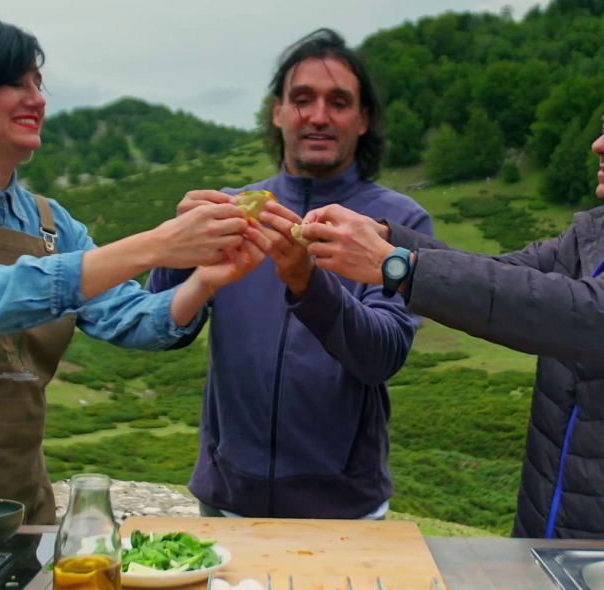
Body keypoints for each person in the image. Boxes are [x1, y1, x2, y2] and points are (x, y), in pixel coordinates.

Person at [0, 6, 266, 524]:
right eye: (14, 82)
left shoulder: (51, 223)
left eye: (38, 83)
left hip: (11, 501)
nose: (36, 99)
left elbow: (133, 321)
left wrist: (205, 281)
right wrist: (156, 244)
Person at [294, 70, 604, 540]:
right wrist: (387, 238)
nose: (600, 144)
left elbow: (594, 316)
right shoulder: (601, 232)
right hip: (553, 532)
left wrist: (397, 267)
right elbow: (503, 274)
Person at [148, 29, 433, 518]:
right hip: (227, 501)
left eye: (338, 102)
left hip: (345, 511)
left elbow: (381, 356)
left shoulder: (399, 224)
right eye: (302, 99)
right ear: (277, 112)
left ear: (363, 120)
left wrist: (307, 281)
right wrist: (173, 253)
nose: (319, 116)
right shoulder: (233, 210)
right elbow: (165, 332)